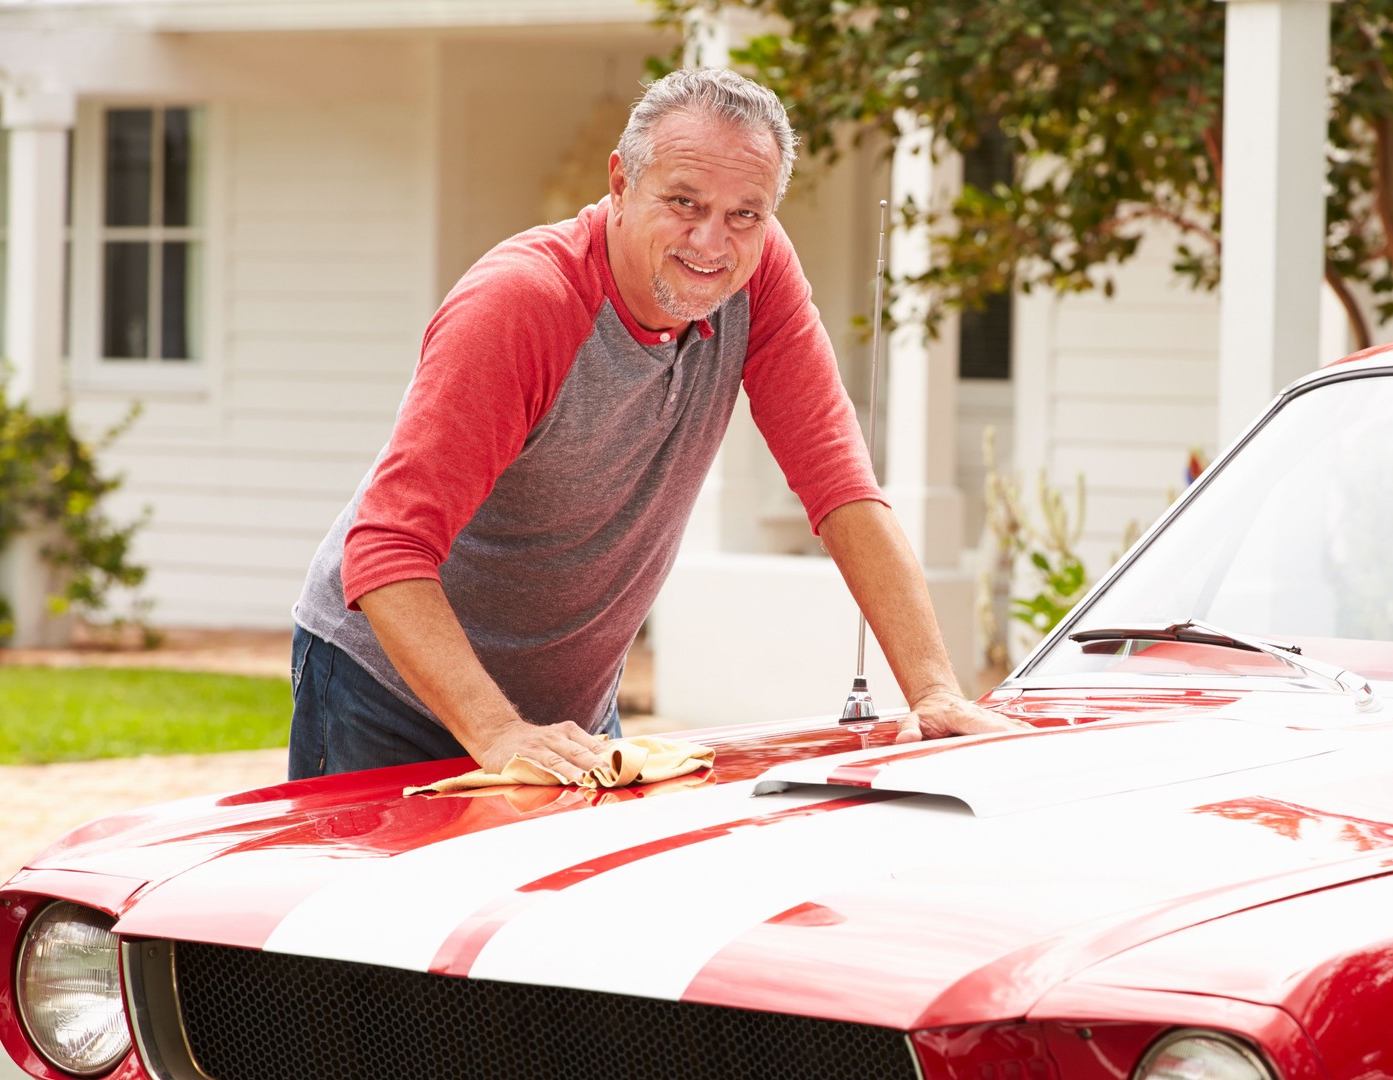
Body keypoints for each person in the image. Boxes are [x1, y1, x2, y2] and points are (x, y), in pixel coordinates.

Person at [288, 67, 1019, 783]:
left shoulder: (757, 276)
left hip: (566, 720)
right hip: (383, 695)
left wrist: (934, 692)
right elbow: (386, 549)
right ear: (619, 182)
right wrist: (499, 731)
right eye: (683, 201)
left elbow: (841, 487)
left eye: (745, 214)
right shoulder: (520, 305)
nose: (711, 241)